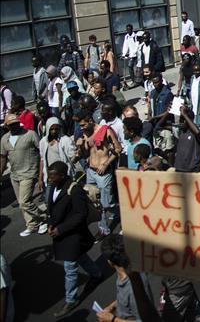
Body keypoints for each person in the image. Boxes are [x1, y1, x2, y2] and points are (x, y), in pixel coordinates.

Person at [46, 161, 102, 317]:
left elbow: (80, 214)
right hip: (61, 233)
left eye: (53, 176)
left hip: (73, 234)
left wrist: (60, 229)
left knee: (70, 268)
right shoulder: (53, 187)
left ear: (63, 176)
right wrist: (51, 224)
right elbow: (51, 208)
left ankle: (71, 300)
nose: (49, 179)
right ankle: (96, 274)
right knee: (81, 257)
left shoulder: (74, 189)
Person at [0, 114, 48, 237]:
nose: (14, 126)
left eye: (16, 123)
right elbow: (3, 157)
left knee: (24, 201)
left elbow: (41, 152)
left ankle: (43, 218)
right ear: (7, 126)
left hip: (29, 172)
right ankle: (32, 224)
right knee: (23, 204)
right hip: (15, 174)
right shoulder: (4, 139)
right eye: (11, 125)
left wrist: (41, 172)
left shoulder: (30, 134)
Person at [76, 114, 122, 238]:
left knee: (106, 203)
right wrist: (80, 145)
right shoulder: (86, 133)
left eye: (83, 125)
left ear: (90, 121)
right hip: (91, 172)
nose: (81, 128)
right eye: (80, 126)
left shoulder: (105, 130)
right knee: (96, 202)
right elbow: (86, 153)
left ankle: (121, 213)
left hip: (103, 173)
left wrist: (106, 164)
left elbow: (118, 149)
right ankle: (103, 229)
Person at [97, 234, 154, 322]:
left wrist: (112, 319)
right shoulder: (126, 273)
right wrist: (112, 306)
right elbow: (125, 300)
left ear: (110, 262)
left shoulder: (134, 289)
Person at [40, 117, 77, 190]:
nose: (54, 131)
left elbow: (72, 157)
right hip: (50, 176)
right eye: (51, 129)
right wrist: (40, 178)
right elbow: (42, 160)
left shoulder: (65, 140)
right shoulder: (43, 142)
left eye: (56, 129)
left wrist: (76, 154)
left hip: (62, 176)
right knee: (49, 199)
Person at [173, 106, 200, 173]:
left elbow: (199, 133)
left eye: (184, 120)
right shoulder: (181, 132)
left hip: (191, 170)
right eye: (180, 119)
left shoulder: (197, 131)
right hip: (179, 168)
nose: (181, 122)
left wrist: (185, 115)